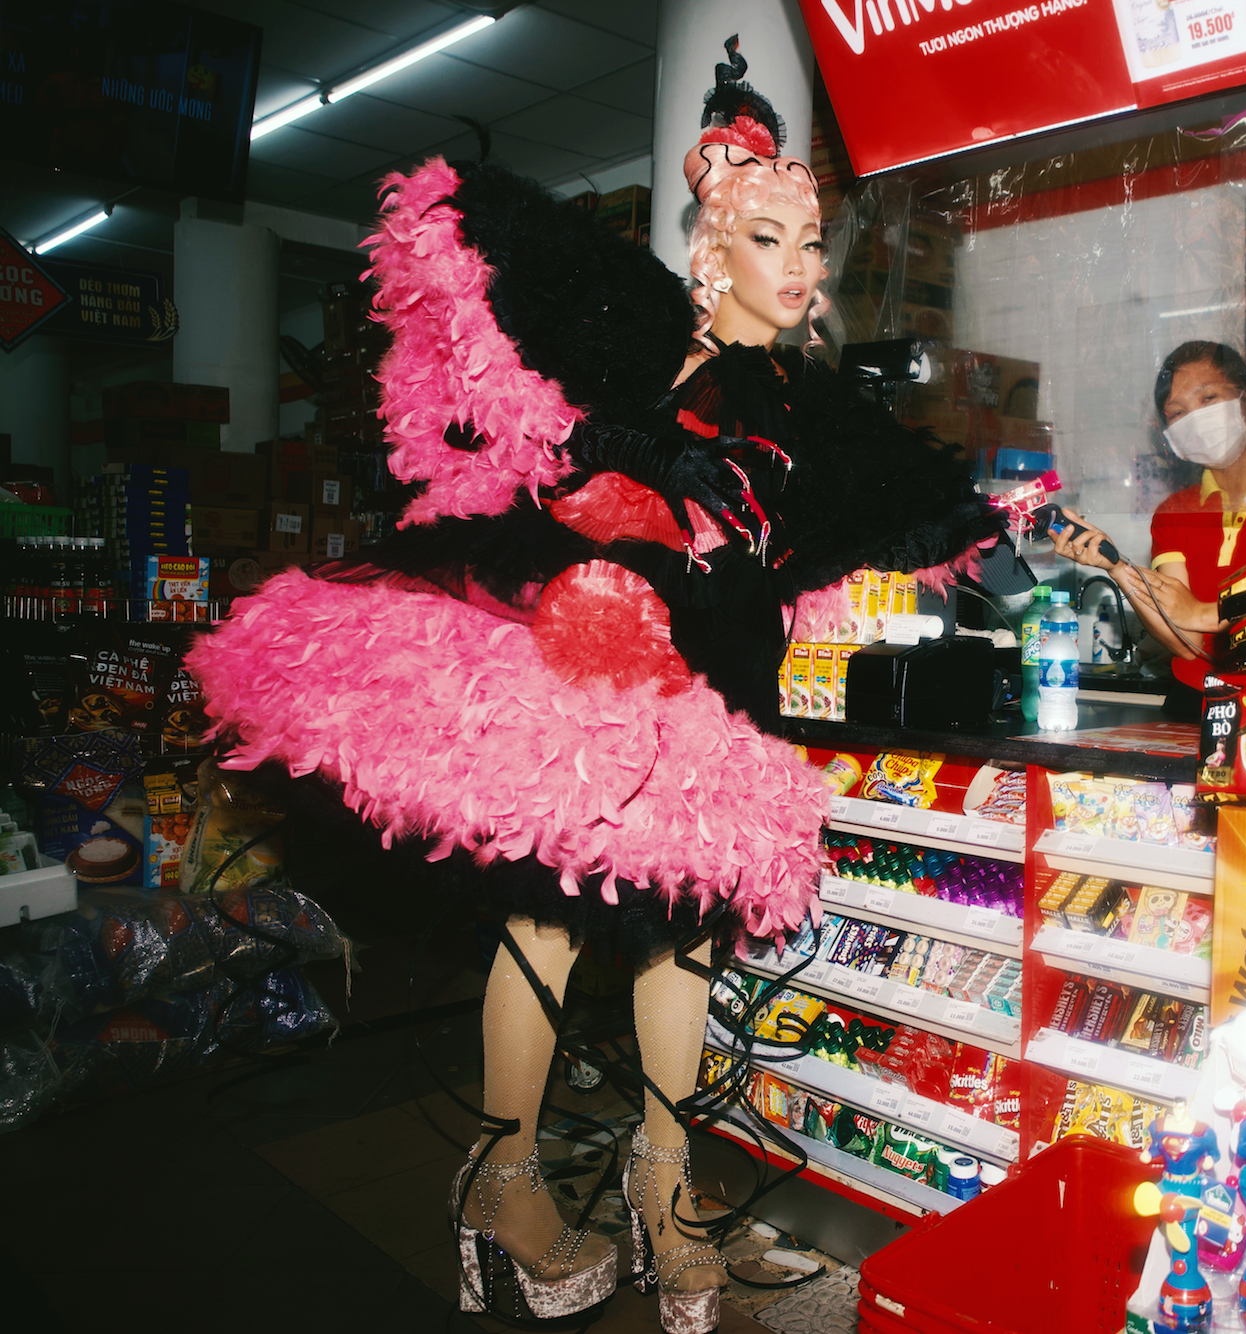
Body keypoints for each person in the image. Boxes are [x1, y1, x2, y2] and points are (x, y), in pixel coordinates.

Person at [188, 39, 999, 1334]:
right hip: (580, 662)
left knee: (687, 922)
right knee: (550, 915)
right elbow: (503, 314)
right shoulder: (626, 330)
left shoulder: (812, 403)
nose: (799, 268)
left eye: (810, 246)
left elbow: (931, 505)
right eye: (767, 234)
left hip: (715, 686)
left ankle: (662, 1182)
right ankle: (505, 1178)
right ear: (712, 240)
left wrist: (1072, 555)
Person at [1051, 341, 1246, 689]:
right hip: (1201, 706)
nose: (1195, 420)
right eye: (1178, 413)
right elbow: (1187, 642)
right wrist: (1118, 568)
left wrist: (1206, 612)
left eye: (1208, 399)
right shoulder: (1175, 512)